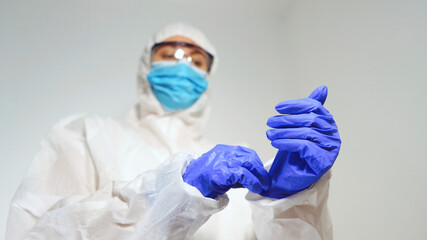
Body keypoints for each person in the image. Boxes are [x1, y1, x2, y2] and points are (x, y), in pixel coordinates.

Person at [6, 23, 341, 240]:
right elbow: (38, 233)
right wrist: (175, 193)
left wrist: (292, 201)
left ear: (209, 77)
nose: (183, 65)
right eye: (170, 55)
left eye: (196, 61)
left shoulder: (245, 175)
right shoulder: (85, 136)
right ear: (145, 66)